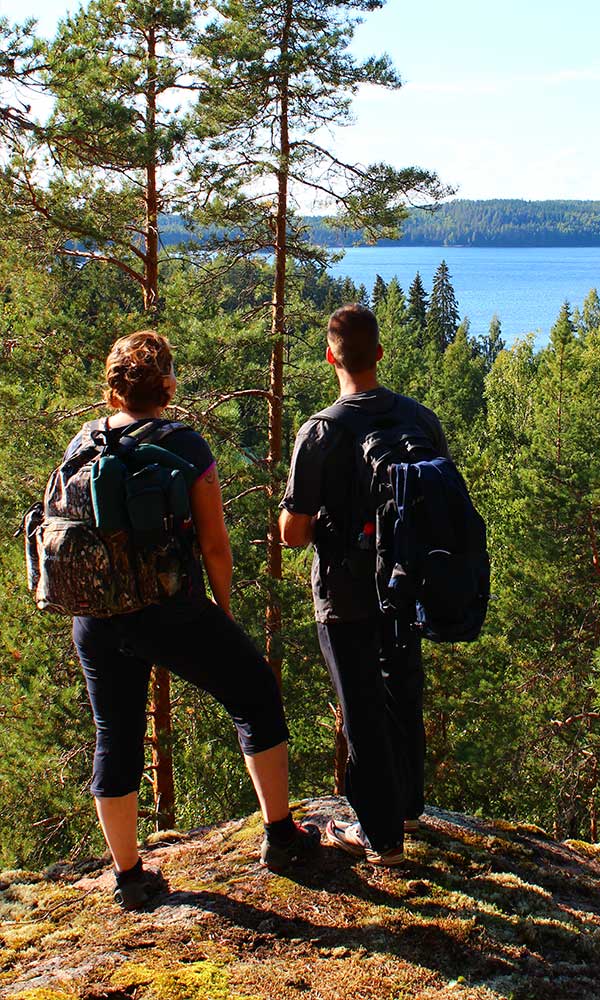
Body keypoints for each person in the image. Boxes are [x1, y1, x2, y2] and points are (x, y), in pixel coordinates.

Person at [69, 330, 319, 910]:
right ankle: (281, 838)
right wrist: (223, 614)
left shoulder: (83, 441)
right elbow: (215, 548)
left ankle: (129, 875)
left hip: (97, 615)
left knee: (116, 732)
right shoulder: (185, 443)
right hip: (166, 609)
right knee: (254, 690)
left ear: (113, 392)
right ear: (168, 386)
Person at [279, 304, 449, 865]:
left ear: (331, 356)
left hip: (345, 592)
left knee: (360, 712)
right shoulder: (421, 421)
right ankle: (405, 808)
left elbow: (295, 534)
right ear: (379, 352)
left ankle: (382, 840)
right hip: (405, 589)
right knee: (402, 693)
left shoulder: (321, 431)